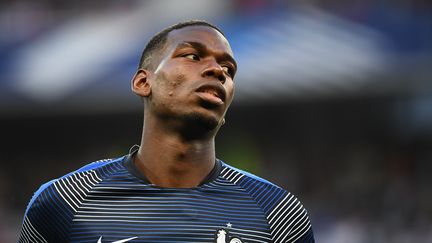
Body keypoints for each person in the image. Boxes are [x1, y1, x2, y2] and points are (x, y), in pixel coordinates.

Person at [19, 20, 315, 243]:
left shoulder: (278, 213)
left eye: (229, 68)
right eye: (193, 56)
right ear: (142, 83)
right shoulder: (64, 202)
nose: (218, 70)